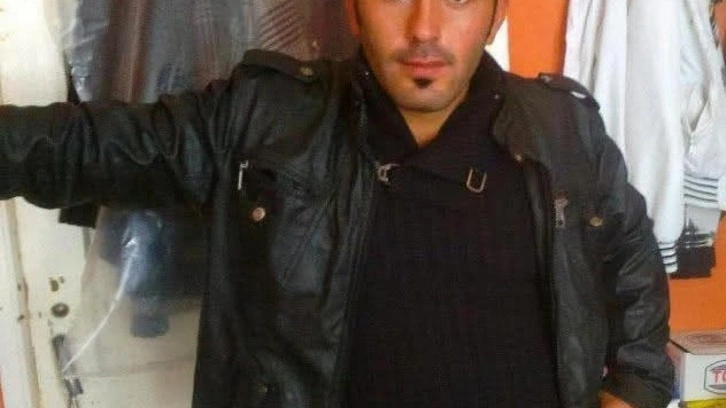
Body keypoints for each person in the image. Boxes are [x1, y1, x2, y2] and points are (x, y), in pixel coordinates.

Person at [0, 0, 673, 407]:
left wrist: (636, 386)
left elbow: (630, 255)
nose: (425, 29)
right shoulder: (264, 118)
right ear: (351, 9)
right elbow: (85, 147)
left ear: (496, 14)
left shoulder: (564, 128)